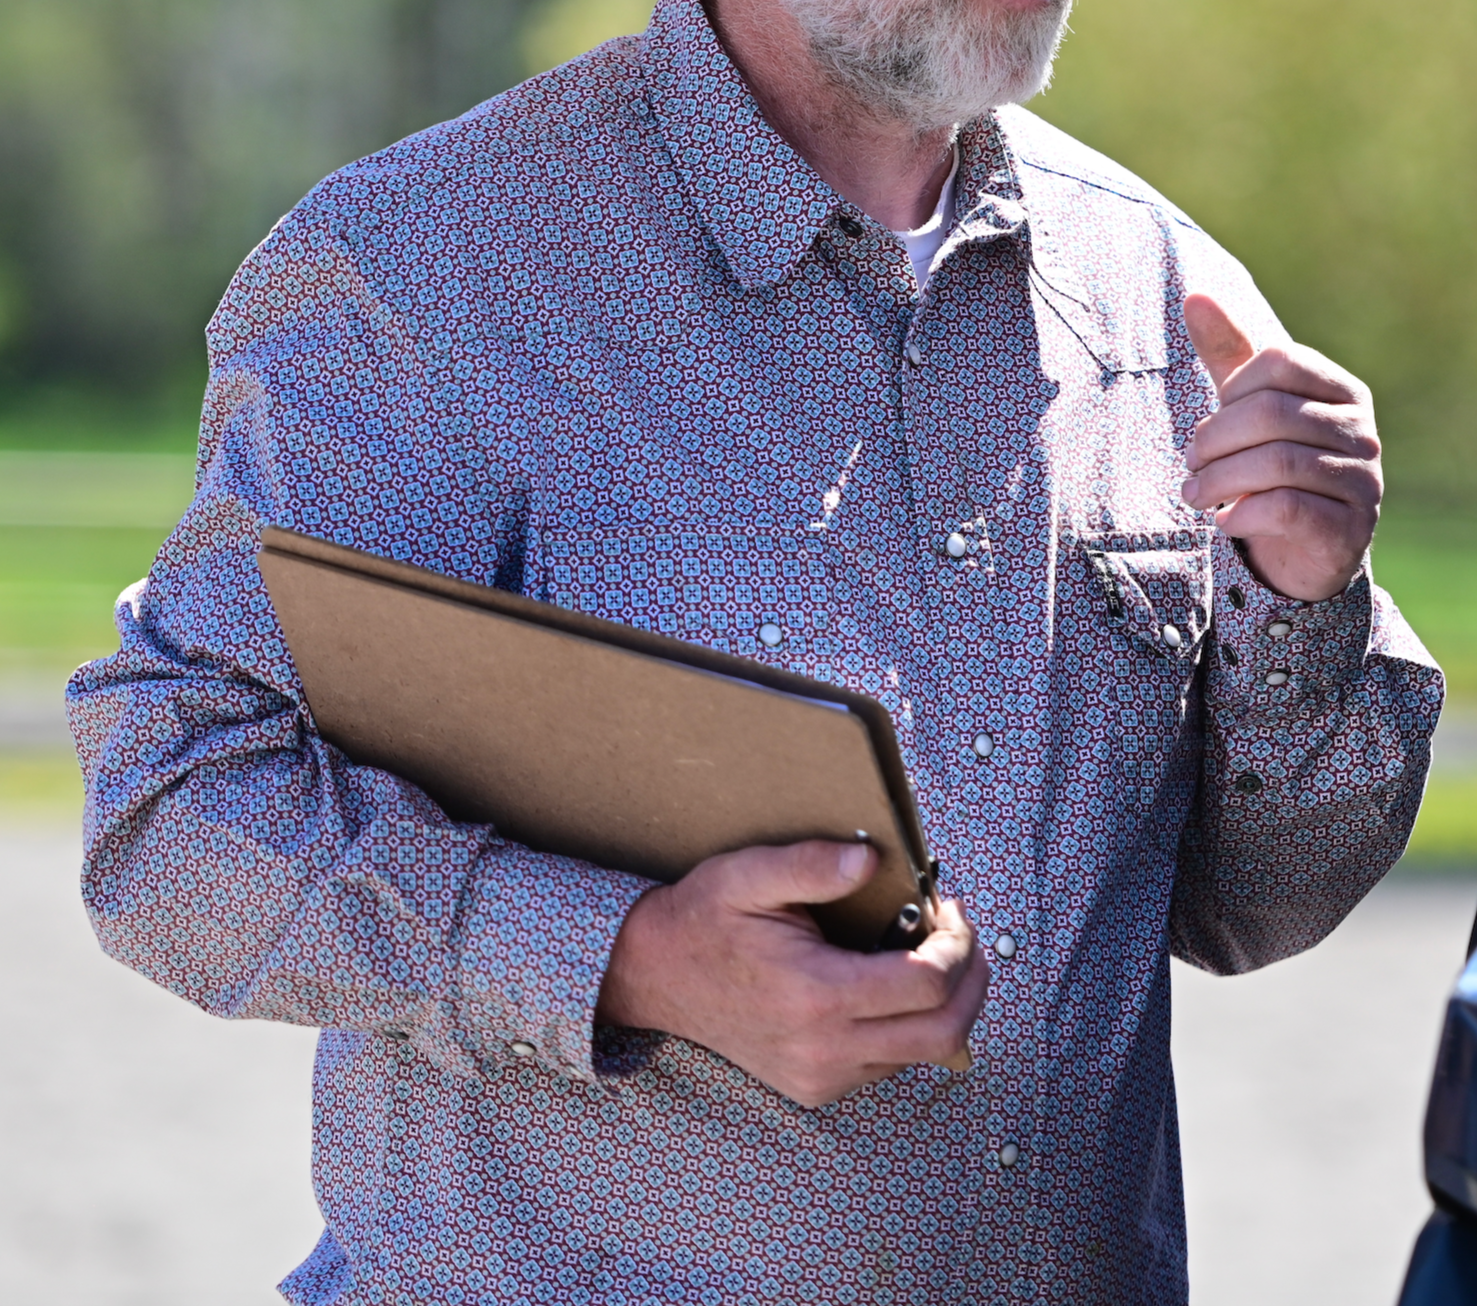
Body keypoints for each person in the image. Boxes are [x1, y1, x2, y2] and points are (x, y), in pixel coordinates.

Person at [67, 0, 1443, 1300]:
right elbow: (164, 808)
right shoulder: (427, 268)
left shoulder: (1159, 289)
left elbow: (1260, 904)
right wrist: (630, 958)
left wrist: (1302, 598)